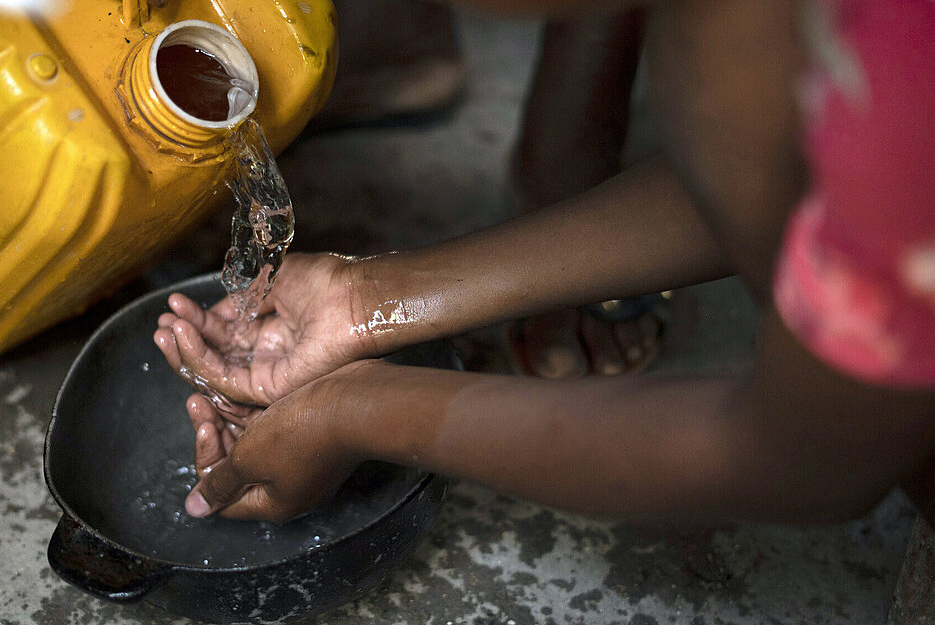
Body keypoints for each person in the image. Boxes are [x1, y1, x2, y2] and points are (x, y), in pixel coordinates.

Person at [153, 0, 935, 528]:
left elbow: (806, 457)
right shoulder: (752, 40)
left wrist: (356, 410)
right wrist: (365, 298)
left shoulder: (897, 77)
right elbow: (797, 193)